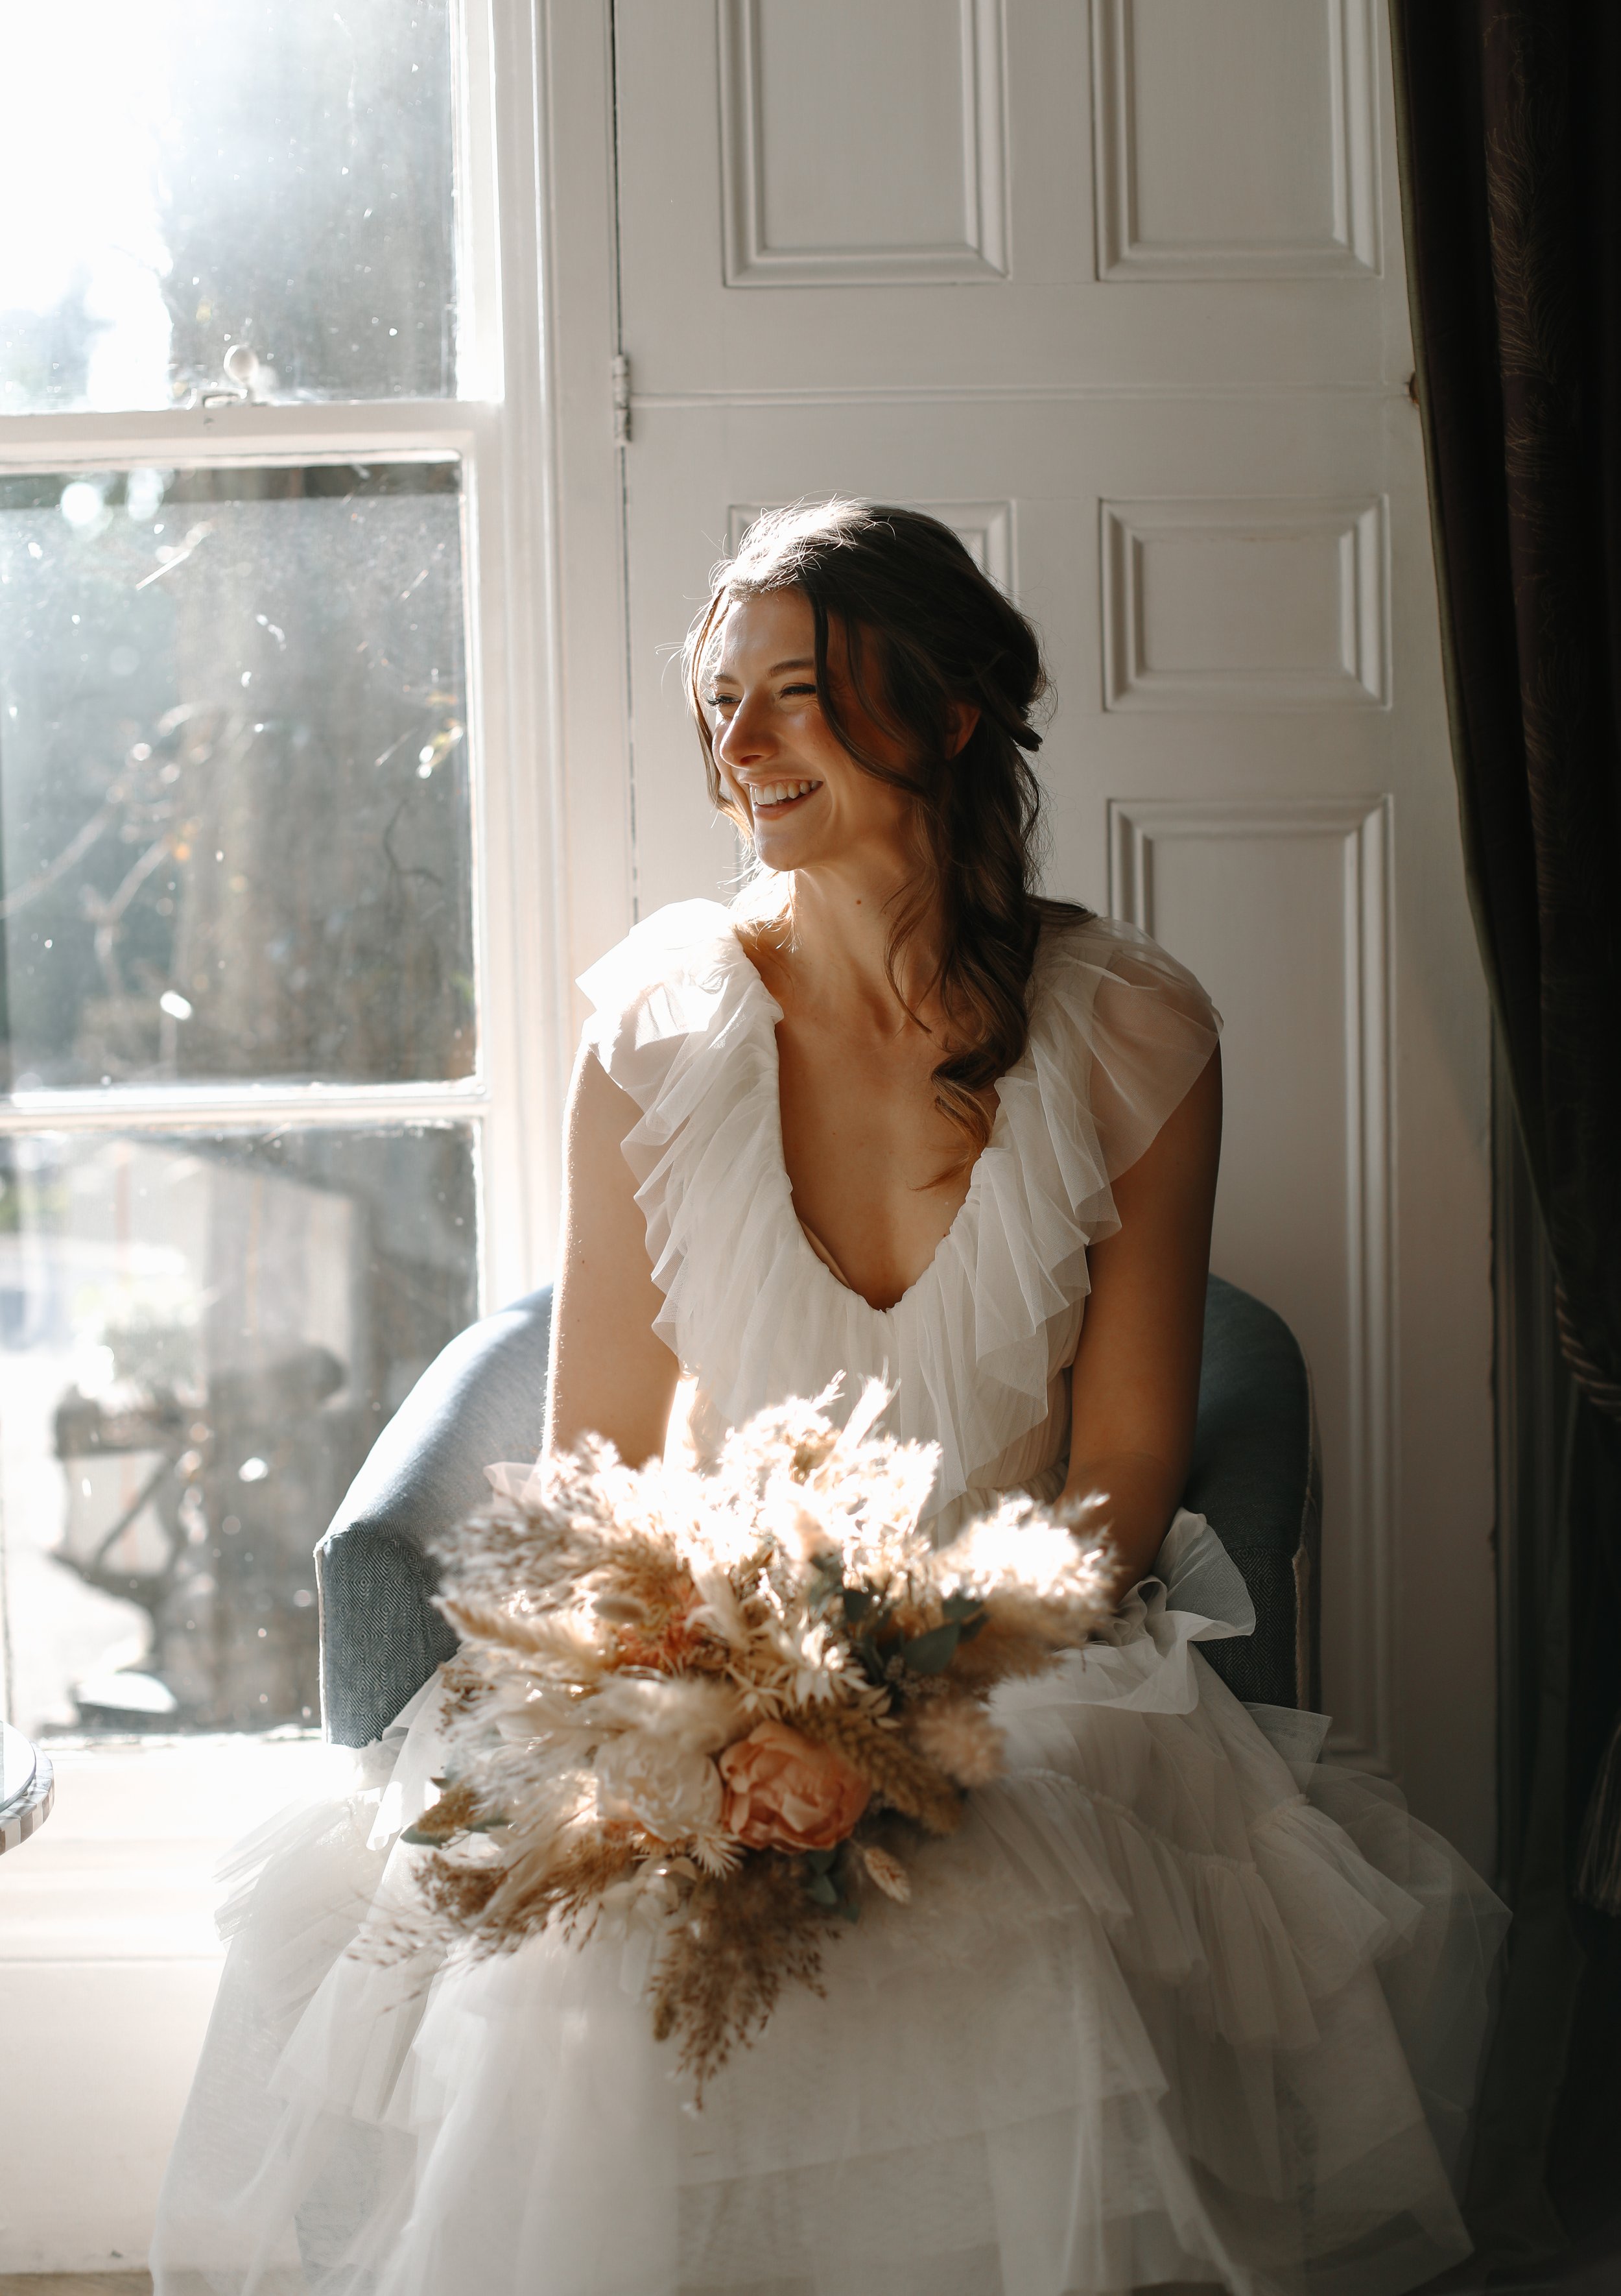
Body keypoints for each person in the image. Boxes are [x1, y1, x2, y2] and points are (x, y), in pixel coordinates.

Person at [153, 501, 1506, 2296]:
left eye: (793, 692)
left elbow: (1121, 1464)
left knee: (1026, 1883)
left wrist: (902, 1687)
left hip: (1023, 1642)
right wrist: (714, 1697)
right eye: (720, 701)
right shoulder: (658, 1025)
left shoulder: (1134, 1031)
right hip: (706, 1623)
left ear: (948, 708)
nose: (740, 743)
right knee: (594, 1937)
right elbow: (598, 1459)